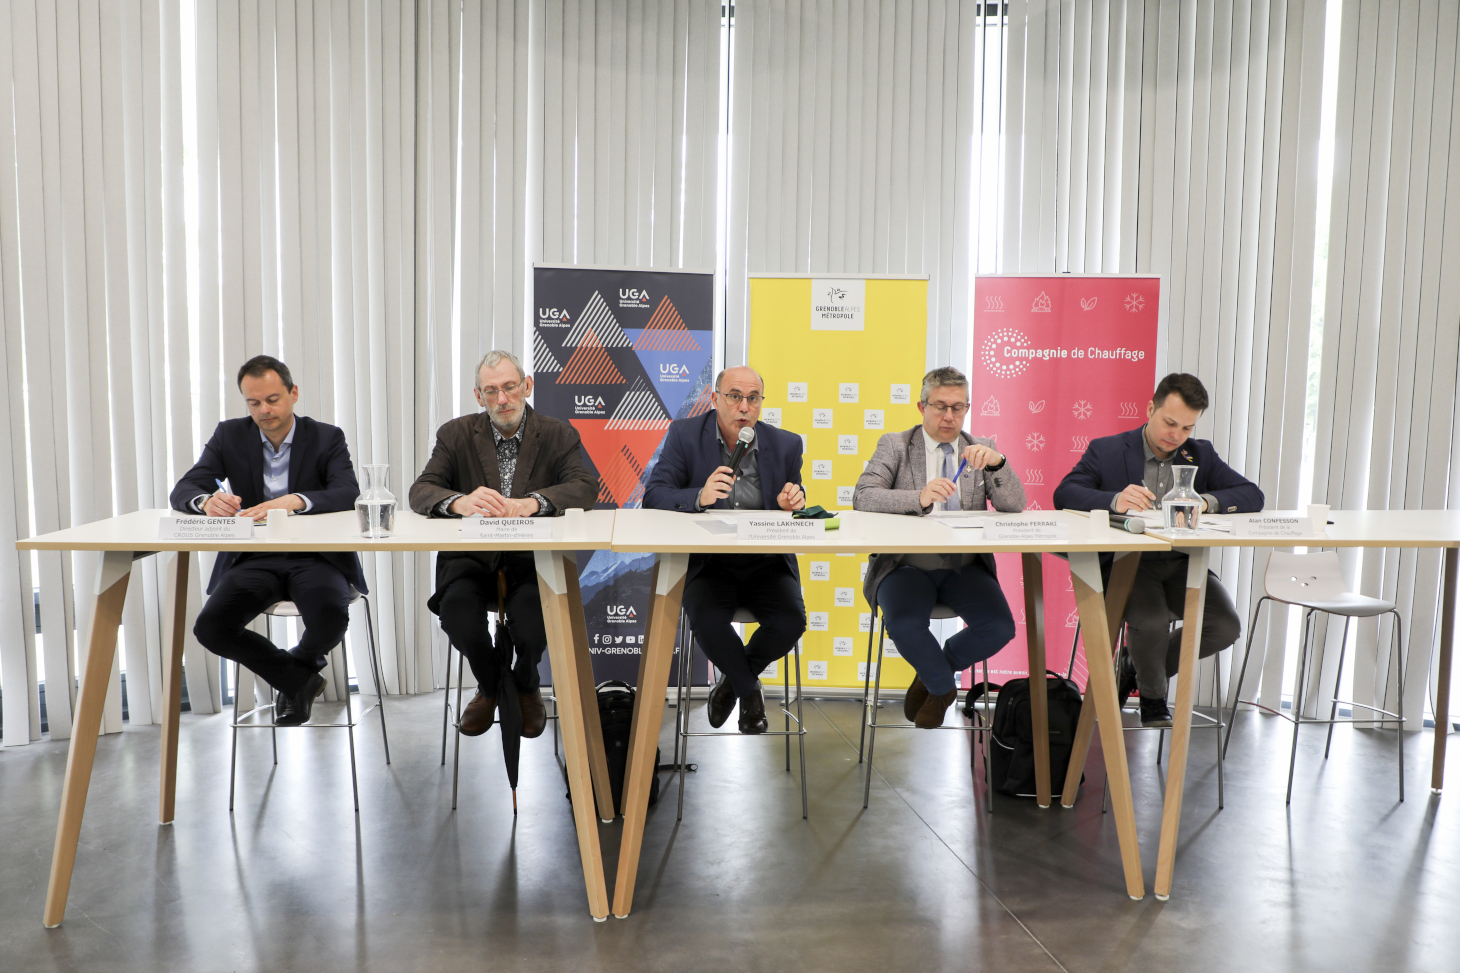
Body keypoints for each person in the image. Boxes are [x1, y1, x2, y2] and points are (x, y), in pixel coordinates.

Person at [1053, 372, 1263, 726]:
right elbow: (1065, 493)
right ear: (1150, 408)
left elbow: (1251, 495)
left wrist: (1206, 502)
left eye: (1186, 428)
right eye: (1169, 423)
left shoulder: (1200, 454)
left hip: (1182, 562)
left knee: (1224, 626)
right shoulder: (1107, 450)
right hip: (1129, 563)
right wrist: (1114, 500)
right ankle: (1152, 699)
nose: (1176, 435)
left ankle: (1133, 667)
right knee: (1149, 623)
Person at [409, 350, 596, 739]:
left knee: (531, 625)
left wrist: (535, 502)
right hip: (471, 560)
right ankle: (493, 683)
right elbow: (421, 491)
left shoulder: (558, 433)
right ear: (478, 396)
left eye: (510, 387)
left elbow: (585, 487)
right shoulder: (455, 433)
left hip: (532, 561)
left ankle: (526, 683)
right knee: (458, 616)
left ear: (527, 386)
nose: (502, 400)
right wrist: (458, 502)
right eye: (491, 391)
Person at [170, 355, 365, 726]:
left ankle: (297, 676)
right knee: (211, 628)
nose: (264, 410)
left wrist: (296, 501)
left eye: (273, 399)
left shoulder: (326, 437)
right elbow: (185, 488)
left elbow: (347, 492)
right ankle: (297, 681)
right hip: (255, 557)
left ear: (293, 394)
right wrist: (206, 501)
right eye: (253, 402)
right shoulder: (229, 435)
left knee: (330, 617)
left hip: (316, 556)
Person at [853, 366, 1026, 728]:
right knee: (904, 624)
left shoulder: (980, 450)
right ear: (922, 406)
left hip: (963, 566)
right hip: (906, 565)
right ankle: (944, 688)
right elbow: (864, 496)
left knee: (1000, 627)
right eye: (940, 406)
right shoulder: (896, 444)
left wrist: (1000, 463)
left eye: (958, 408)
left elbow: (1013, 504)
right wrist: (918, 496)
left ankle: (933, 674)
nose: (949, 416)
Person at [643, 366, 807, 734]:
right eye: (734, 396)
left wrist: (791, 500)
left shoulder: (786, 444)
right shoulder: (685, 436)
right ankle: (750, 691)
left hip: (766, 562)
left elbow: (796, 498)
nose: (743, 407)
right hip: (710, 563)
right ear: (715, 398)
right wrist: (698, 496)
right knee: (707, 620)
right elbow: (654, 495)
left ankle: (732, 683)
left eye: (753, 398)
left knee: (791, 622)